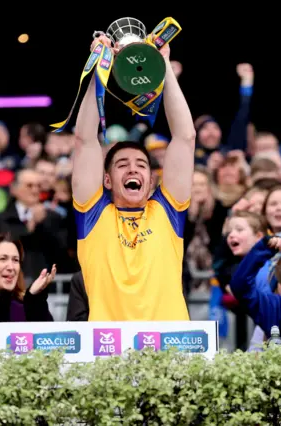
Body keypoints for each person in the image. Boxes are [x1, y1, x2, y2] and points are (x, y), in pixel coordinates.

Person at [71, 34, 195, 321]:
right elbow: (84, 140)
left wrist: (162, 64)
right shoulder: (93, 213)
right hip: (108, 351)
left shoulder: (168, 211)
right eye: (122, 164)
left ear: (151, 180)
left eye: (141, 165)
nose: (133, 169)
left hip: (170, 350)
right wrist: (98, 69)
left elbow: (185, 138)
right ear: (107, 180)